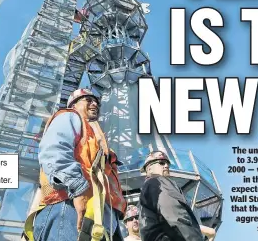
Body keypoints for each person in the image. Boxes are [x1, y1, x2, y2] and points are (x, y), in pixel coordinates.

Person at [26, 88, 127, 241]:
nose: (95, 104)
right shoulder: (69, 116)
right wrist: (78, 189)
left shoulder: (97, 137)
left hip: (101, 215)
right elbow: (54, 152)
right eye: (88, 100)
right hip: (69, 206)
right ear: (73, 104)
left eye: (96, 102)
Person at [138, 151, 217, 241]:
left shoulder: (148, 187)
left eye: (167, 163)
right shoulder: (158, 183)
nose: (166, 166)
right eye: (161, 163)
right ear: (149, 168)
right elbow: (175, 216)